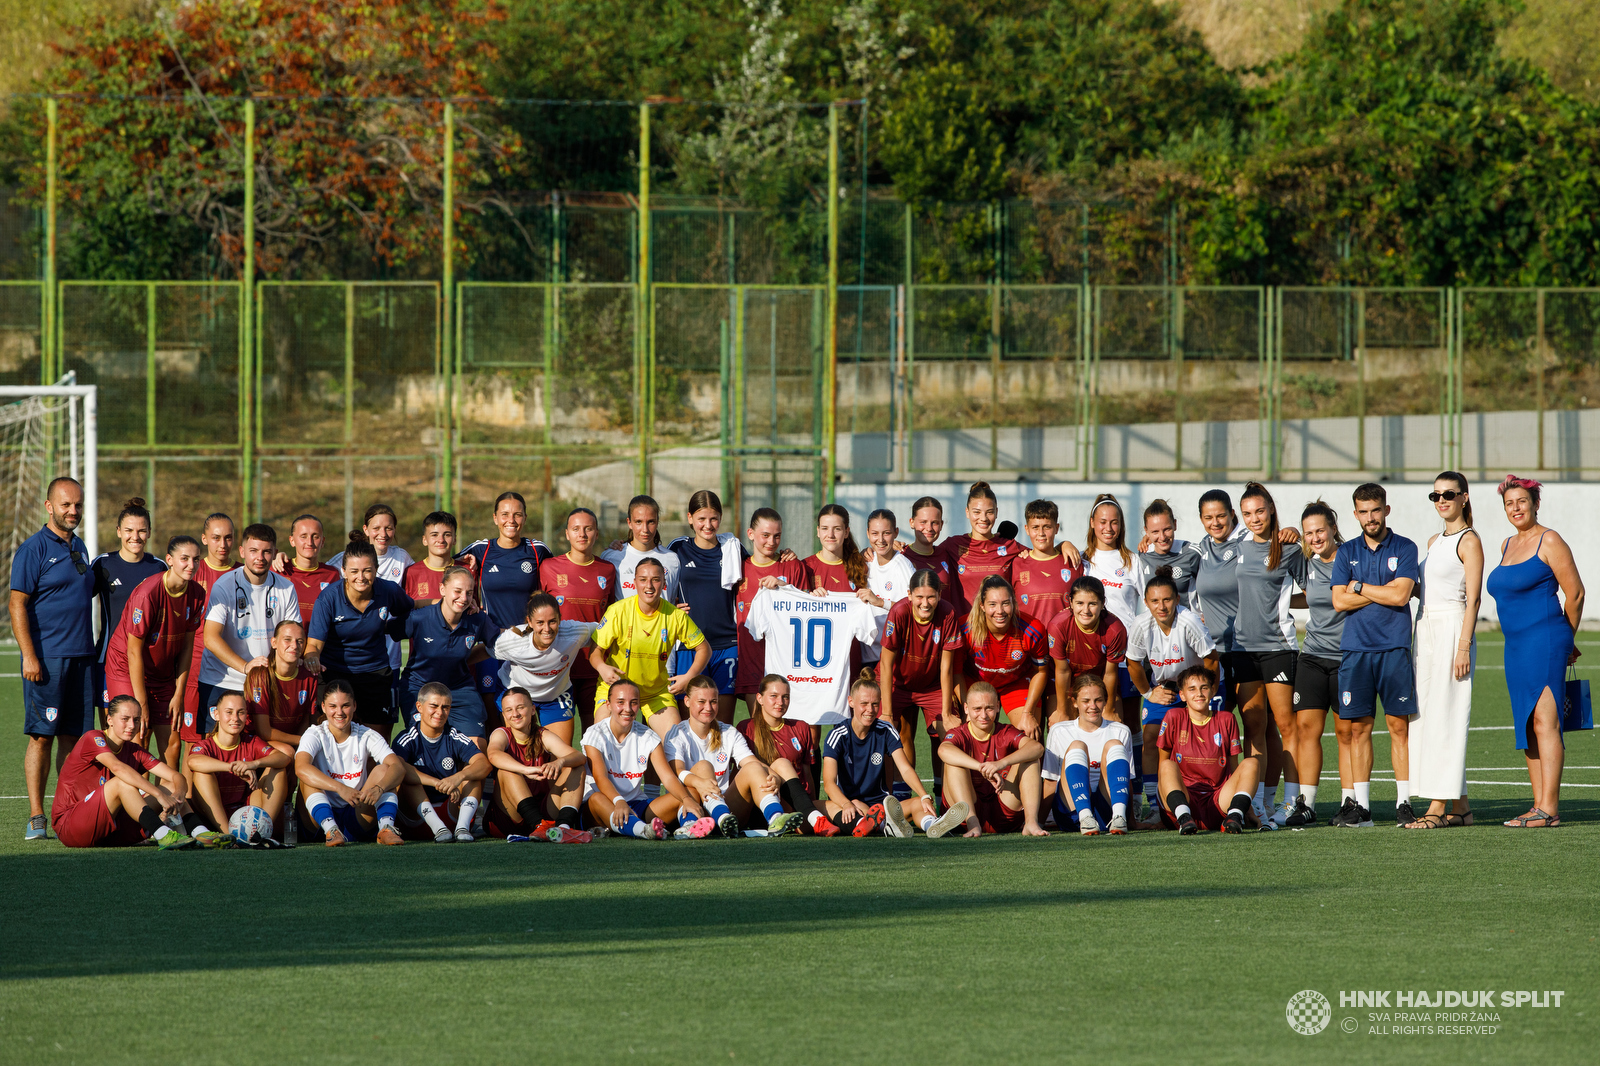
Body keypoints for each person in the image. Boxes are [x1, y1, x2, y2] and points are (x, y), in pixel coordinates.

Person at [1487, 475, 1585, 829]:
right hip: (1514, 646)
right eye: (1509, 503)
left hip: (1545, 640)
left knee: (1546, 721)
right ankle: (1537, 804)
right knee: (1527, 724)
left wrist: (1565, 637)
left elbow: (1574, 594)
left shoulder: (1550, 540)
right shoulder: (1505, 545)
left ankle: (1550, 809)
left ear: (1535, 504)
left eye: (1522, 502)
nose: (1516, 508)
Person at [12, 476, 99, 841]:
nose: (73, 511)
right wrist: (29, 655)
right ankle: (36, 816)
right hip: (47, 661)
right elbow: (17, 602)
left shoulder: (80, 547)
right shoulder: (32, 549)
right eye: (66, 505)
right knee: (42, 738)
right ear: (49, 507)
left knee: (73, 739)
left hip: (83, 658)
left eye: (77, 505)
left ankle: (66, 810)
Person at [1330, 483, 1419, 828]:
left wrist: (1359, 587)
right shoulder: (1346, 552)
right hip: (1356, 650)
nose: (1370, 517)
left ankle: (1404, 802)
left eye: (1375, 510)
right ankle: (1362, 808)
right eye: (1363, 512)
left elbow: (1402, 597)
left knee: (1399, 727)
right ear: (1355, 515)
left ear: (1386, 510)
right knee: (1357, 730)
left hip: (1394, 648)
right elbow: (1339, 602)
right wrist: (1385, 590)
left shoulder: (1405, 547)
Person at [1407, 473, 1484, 829]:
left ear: (1464, 498)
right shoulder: (1434, 540)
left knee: (1448, 718)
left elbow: (1473, 599)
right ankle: (1462, 808)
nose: (1441, 500)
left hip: (1453, 629)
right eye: (1435, 494)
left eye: (1448, 494)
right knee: (1429, 716)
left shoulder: (1469, 541)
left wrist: (1463, 645)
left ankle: (1437, 807)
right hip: (1426, 630)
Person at [1232, 482, 1310, 826]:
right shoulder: (1236, 547)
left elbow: (1314, 589)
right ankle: (1260, 802)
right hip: (1242, 649)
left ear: (1271, 510)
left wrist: (1304, 541)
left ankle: (1292, 801)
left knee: (1285, 725)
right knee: (1254, 725)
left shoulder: (1288, 547)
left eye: (1260, 511)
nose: (1254, 519)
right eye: (1247, 513)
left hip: (1278, 647)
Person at [52, 694, 220, 850]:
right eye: (125, 719)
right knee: (121, 782)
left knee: (168, 787)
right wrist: (159, 795)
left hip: (110, 830)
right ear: (109, 719)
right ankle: (164, 835)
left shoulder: (134, 750)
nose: (132, 726)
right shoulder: (93, 738)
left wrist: (178, 793)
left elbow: (176, 777)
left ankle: (200, 832)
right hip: (71, 826)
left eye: (136, 720)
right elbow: (117, 768)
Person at [101, 535, 207, 766]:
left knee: (173, 743)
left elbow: (188, 646)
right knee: (137, 736)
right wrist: (142, 703)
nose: (191, 565)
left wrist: (179, 694)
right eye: (184, 559)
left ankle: (166, 799)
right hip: (126, 667)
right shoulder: (148, 594)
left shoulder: (197, 594)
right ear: (169, 559)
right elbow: (133, 652)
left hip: (162, 673)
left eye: (196, 559)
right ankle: (132, 799)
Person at [1125, 567, 1218, 826]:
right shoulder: (1141, 624)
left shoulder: (1189, 621)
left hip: (1193, 687)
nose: (1161, 606)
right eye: (1154, 601)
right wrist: (1148, 692)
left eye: (1167, 599)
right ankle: (1154, 804)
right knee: (1152, 737)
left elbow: (1211, 660)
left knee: (1201, 740)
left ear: (1177, 599)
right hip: (1163, 688)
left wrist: (1206, 694)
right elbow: (1132, 662)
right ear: (1146, 603)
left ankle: (1213, 799)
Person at [821, 676, 968, 838]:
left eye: (875, 704)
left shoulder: (885, 730)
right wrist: (845, 803)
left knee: (919, 804)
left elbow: (905, 769)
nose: (870, 709)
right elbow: (829, 782)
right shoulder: (838, 735)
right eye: (864, 704)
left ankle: (932, 826)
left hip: (884, 806)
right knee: (851, 806)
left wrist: (924, 796)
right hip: (853, 806)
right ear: (850, 702)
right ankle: (887, 825)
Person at [195, 523, 302, 744]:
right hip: (222, 679)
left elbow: (292, 636)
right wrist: (245, 667)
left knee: (262, 750)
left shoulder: (286, 588)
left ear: (274, 553)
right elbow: (210, 638)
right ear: (243, 552)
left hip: (265, 682)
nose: (259, 557)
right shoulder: (224, 586)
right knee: (212, 749)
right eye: (253, 551)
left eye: (266, 551)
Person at [666, 675, 804, 837]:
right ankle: (716, 819)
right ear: (687, 702)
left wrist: (774, 775)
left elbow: (751, 762)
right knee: (703, 766)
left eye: (714, 701)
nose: (708, 707)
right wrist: (699, 782)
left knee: (753, 767)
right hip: (692, 808)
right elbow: (676, 772)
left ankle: (776, 818)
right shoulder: (677, 734)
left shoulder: (729, 732)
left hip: (730, 809)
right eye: (701, 702)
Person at [589, 557, 708, 738]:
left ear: (664, 583)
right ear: (634, 582)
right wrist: (602, 667)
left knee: (675, 740)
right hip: (616, 689)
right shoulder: (617, 611)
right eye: (643, 580)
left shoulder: (676, 616)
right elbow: (595, 651)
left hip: (655, 693)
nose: (649, 586)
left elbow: (704, 648)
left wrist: (689, 677)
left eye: (656, 579)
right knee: (603, 737)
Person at [306, 540, 413, 737]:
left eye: (367, 570)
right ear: (344, 571)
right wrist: (312, 657)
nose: (361, 577)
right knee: (333, 738)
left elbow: (411, 610)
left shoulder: (388, 591)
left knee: (376, 742)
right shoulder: (328, 598)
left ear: (376, 569)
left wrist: (445, 605)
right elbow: (313, 644)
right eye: (354, 571)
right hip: (335, 673)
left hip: (376, 673)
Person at [1283, 501, 1347, 827]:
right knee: (1306, 729)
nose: (1315, 537)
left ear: (1333, 528)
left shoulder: (1354, 557)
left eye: (1320, 530)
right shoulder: (1305, 560)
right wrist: (1276, 603)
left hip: (1347, 657)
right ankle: (1306, 803)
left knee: (1346, 731)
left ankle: (1353, 801)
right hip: (1312, 655)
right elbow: (1308, 596)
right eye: (1309, 533)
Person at [581, 679, 703, 840]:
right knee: (596, 798)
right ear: (608, 705)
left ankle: (688, 828)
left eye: (633, 703)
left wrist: (687, 799)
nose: (628, 709)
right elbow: (600, 777)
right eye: (620, 702)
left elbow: (667, 777)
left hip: (636, 805)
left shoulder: (648, 735)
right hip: (604, 805)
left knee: (690, 793)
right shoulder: (594, 733)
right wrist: (618, 801)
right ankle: (644, 831)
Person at [878, 568, 961, 801]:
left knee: (948, 733)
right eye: (920, 597)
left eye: (931, 597)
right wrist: (886, 712)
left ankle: (946, 794)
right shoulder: (899, 611)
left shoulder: (947, 613)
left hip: (931, 685)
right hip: (898, 683)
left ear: (939, 596)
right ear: (909, 595)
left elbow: (946, 668)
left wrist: (946, 712)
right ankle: (893, 795)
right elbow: (885, 664)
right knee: (892, 731)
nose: (925, 603)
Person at [294, 679, 407, 846]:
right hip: (317, 820)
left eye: (345, 706)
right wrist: (340, 788)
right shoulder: (314, 733)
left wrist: (379, 788)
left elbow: (398, 767)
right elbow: (300, 768)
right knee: (307, 775)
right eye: (333, 706)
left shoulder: (366, 734)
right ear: (323, 707)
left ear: (354, 706)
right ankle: (331, 830)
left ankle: (386, 828)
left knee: (385, 769)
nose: (339, 712)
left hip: (356, 812)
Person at [666, 490, 745, 721]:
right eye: (701, 519)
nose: (708, 525)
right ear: (690, 518)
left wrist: (785, 556)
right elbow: (652, 568)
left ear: (720, 518)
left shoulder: (733, 548)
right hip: (690, 645)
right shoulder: (678, 548)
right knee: (688, 722)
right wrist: (671, 608)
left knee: (722, 722)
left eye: (713, 518)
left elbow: (760, 565)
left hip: (727, 643)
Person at [538, 506, 618, 729]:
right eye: (576, 529)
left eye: (588, 529)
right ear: (567, 534)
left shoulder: (608, 570)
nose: (582, 534)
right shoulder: (549, 567)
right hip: (559, 666)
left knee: (595, 737)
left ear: (597, 533)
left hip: (595, 666)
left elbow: (612, 616)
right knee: (558, 743)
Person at [1157, 665, 1259, 834]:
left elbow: (1234, 769)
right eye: (1192, 689)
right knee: (1167, 765)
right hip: (1184, 800)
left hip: (1218, 801)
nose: (1199, 693)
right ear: (1182, 695)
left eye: (1204, 688)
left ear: (1213, 691)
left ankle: (1235, 816)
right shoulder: (1174, 717)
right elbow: (1162, 766)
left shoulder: (1227, 719)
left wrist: (1247, 809)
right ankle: (1183, 818)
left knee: (1251, 763)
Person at [493, 591, 602, 746]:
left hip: (555, 696)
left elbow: (605, 631)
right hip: (517, 694)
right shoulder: (512, 641)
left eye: (552, 621)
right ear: (529, 622)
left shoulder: (574, 632)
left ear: (560, 619)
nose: (547, 629)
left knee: (560, 755)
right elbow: (484, 651)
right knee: (521, 753)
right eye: (540, 623)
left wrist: (602, 664)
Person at [938, 682, 1048, 837]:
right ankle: (973, 823)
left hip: (1003, 809)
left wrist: (1000, 764)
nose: (983, 715)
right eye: (977, 709)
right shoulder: (959, 733)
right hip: (967, 812)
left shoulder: (1005, 731)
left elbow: (1037, 748)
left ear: (997, 707)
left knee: (1030, 759)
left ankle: (1030, 823)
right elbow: (943, 750)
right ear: (966, 709)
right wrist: (981, 767)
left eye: (989, 708)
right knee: (953, 762)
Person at [484, 687, 591, 843]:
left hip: (545, 814)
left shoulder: (542, 734)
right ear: (504, 715)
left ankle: (564, 827)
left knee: (575, 767)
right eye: (509, 710)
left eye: (520, 707)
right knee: (506, 771)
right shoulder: (502, 733)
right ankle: (539, 824)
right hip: (510, 818)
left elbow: (579, 757)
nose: (515, 714)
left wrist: (559, 762)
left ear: (533, 710)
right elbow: (493, 755)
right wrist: (524, 770)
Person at [90, 497, 165, 717]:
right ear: (118, 532)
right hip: (109, 658)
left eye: (142, 531)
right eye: (129, 530)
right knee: (111, 728)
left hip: (148, 660)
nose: (135, 536)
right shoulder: (102, 564)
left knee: (140, 729)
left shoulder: (159, 567)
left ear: (149, 532)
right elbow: (78, 600)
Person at [399, 566, 493, 742]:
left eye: (469, 593)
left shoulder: (477, 619)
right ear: (442, 589)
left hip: (460, 689)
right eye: (457, 591)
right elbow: (383, 629)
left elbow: (497, 643)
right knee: (426, 747)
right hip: (420, 688)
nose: (464, 598)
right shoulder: (420, 618)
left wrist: (526, 632)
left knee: (476, 749)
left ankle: (464, 771)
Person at [736, 674, 838, 836]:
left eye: (785, 697)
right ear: (760, 698)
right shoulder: (746, 728)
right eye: (774, 696)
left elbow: (807, 774)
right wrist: (775, 776)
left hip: (796, 806)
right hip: (761, 806)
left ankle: (868, 826)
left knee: (842, 807)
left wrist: (809, 803)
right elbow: (739, 774)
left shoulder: (801, 727)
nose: (780, 702)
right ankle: (812, 818)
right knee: (781, 763)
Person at [327, 504, 416, 690]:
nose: (382, 534)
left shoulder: (402, 557)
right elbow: (316, 575)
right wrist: (284, 560)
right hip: (348, 662)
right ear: (366, 529)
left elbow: (423, 580)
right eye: (376, 528)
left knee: (381, 719)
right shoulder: (345, 559)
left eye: (388, 528)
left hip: (388, 660)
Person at [950, 575, 1050, 739]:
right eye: (992, 604)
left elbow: (1041, 671)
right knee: (970, 734)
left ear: (1013, 603)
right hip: (976, 683)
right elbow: (956, 672)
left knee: (1028, 734)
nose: (1000, 611)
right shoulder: (965, 628)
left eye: (1005, 603)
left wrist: (1027, 712)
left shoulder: (1032, 629)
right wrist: (967, 707)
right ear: (982, 606)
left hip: (1015, 683)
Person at [733, 508, 809, 717]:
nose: (771, 542)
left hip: (786, 666)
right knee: (760, 734)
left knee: (789, 733)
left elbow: (807, 607)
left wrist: (784, 587)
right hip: (751, 664)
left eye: (777, 536)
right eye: (765, 535)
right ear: (750, 534)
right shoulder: (738, 569)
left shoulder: (792, 566)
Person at [392, 682, 491, 842]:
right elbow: (396, 766)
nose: (440, 712)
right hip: (415, 820)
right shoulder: (408, 738)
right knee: (406, 776)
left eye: (445, 707)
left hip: (449, 813)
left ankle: (463, 828)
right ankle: (438, 828)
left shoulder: (454, 736)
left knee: (472, 773)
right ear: (419, 706)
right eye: (434, 706)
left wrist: (458, 777)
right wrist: (437, 783)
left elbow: (484, 764)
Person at [1079, 493, 1147, 726]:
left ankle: (1134, 764)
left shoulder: (1132, 560)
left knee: (1129, 722)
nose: (1108, 528)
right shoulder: (1081, 560)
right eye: (1103, 522)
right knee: (1090, 721)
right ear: (1092, 523)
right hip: (1092, 656)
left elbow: (1150, 604)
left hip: (1126, 656)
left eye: (1114, 522)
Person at [185, 691, 291, 837]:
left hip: (245, 811)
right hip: (212, 816)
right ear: (216, 715)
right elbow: (192, 761)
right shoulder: (205, 745)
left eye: (240, 712)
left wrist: (253, 764)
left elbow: (283, 758)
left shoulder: (250, 741)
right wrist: (232, 767)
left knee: (278, 770)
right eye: (229, 712)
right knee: (202, 774)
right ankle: (227, 835)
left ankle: (263, 832)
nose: (235, 718)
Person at [1040, 674, 1133, 835]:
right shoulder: (1059, 730)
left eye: (1098, 700)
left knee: (1114, 744)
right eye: (1086, 701)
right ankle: (1085, 817)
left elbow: (1127, 781)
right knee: (1077, 745)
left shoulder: (1120, 731)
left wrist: (1132, 822)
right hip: (1072, 811)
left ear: (1105, 701)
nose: (1093, 706)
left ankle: (1119, 817)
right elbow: (1050, 781)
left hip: (1107, 811)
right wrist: (1038, 821)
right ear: (1075, 702)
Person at [180, 512, 238, 743]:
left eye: (228, 538)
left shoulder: (244, 572)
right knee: (190, 740)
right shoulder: (192, 571)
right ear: (204, 539)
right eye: (216, 538)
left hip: (233, 668)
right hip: (195, 665)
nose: (222, 545)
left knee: (231, 737)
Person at [457, 491, 553, 630]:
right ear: (495, 518)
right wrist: (467, 597)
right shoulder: (481, 549)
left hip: (529, 638)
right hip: (493, 638)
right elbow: (446, 566)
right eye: (505, 514)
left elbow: (559, 576)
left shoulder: (537, 550)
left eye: (517, 515)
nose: (511, 520)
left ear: (525, 518)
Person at [1046, 576, 1127, 726]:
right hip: (1068, 685)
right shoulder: (1058, 626)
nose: (1085, 610)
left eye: (1092, 604)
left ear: (1103, 603)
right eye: (1080, 603)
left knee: (1113, 727)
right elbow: (1062, 672)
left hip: (1100, 683)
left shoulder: (1115, 629)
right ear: (1070, 602)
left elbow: (1110, 673)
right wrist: (1062, 711)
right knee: (1059, 726)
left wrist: (1109, 709)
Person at [1010, 499, 1081, 632]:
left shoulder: (1072, 562)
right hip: (1028, 646)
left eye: (1047, 527)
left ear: (1057, 528)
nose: (1041, 533)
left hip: (1064, 645)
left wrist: (1065, 543)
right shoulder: (1016, 564)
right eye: (1035, 527)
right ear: (1027, 529)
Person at [601, 494, 682, 601]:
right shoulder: (611, 557)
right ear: (629, 523)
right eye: (638, 522)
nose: (645, 529)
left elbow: (673, 602)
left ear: (657, 522)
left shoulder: (672, 560)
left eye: (650, 522)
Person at [281, 514, 340, 629]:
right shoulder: (279, 570)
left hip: (321, 645)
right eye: (303, 536)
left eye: (315, 536)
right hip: (287, 645)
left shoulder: (333, 574)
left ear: (322, 541)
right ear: (292, 540)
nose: (309, 542)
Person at [1137, 499, 1200, 603]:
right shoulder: (1143, 554)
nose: (1162, 537)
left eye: (1167, 529)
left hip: (1186, 618)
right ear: (1146, 531)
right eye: (1155, 531)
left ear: (1175, 524)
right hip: (1154, 619)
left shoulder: (1192, 553)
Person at [901, 495, 959, 607]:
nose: (929, 528)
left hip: (945, 623)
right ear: (911, 522)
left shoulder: (947, 554)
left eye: (934, 523)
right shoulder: (901, 556)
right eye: (923, 522)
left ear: (941, 524)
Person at [806, 502, 871, 598]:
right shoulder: (804, 567)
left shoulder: (860, 567)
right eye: (825, 528)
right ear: (818, 531)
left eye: (837, 529)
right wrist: (809, 598)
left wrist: (894, 546)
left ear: (846, 532)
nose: (830, 535)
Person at [403, 511, 462, 605]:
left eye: (447, 535)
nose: (441, 540)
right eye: (434, 535)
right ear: (424, 540)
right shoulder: (410, 573)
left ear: (454, 539)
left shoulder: (467, 570)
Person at [864, 509, 916, 612]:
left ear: (896, 532)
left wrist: (880, 602)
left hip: (895, 628)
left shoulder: (903, 565)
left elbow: (917, 608)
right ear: (868, 533)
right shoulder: (867, 561)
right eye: (875, 533)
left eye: (886, 533)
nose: (880, 540)